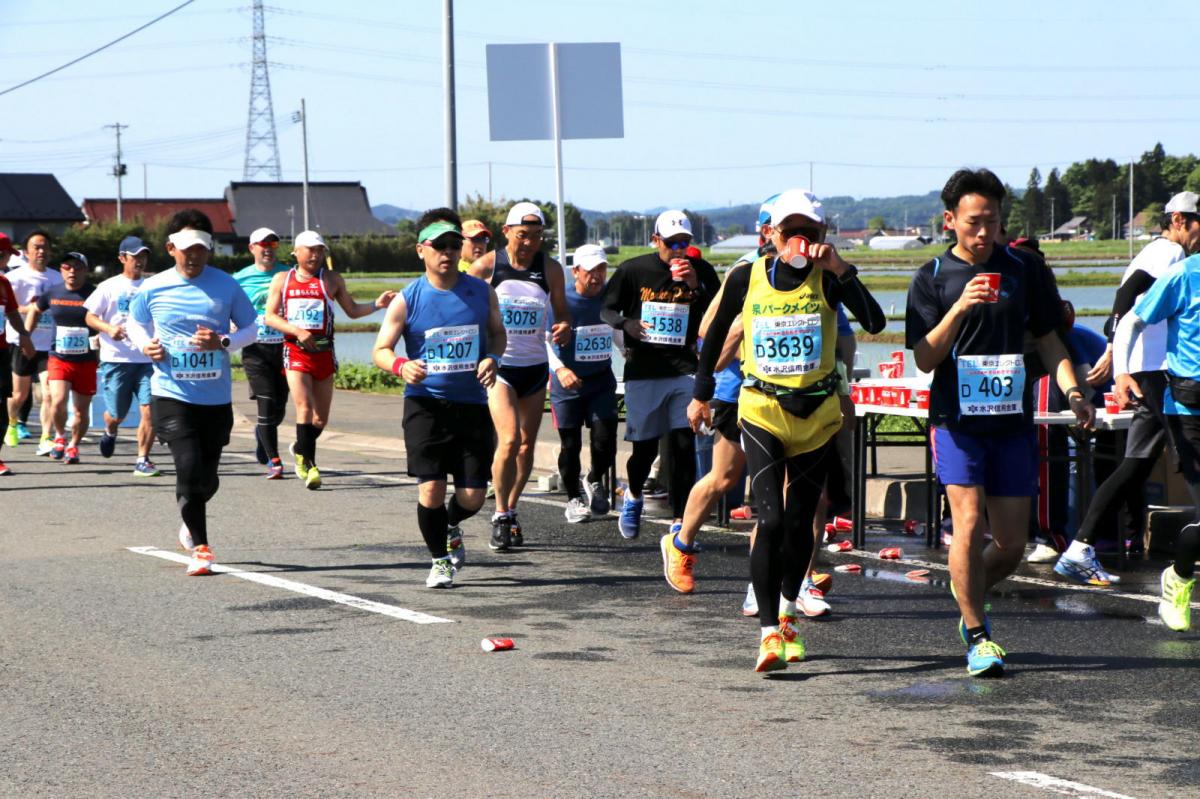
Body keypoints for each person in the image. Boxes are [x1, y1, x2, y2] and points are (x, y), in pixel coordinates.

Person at [906, 168, 1094, 678]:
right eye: (974, 222)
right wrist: (959, 309)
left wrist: (1075, 393)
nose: (985, 232)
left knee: (1011, 546)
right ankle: (977, 634)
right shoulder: (932, 276)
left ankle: (965, 590)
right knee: (968, 524)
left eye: (992, 221)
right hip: (956, 422)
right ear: (950, 221)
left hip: (1012, 423)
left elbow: (1050, 339)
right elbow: (924, 357)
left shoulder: (1024, 268)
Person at [691, 188, 884, 673]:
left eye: (810, 231)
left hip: (816, 415)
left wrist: (841, 268)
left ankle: (789, 615)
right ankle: (767, 633)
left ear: (823, 234)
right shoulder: (747, 276)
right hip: (763, 409)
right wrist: (701, 391)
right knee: (772, 519)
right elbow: (714, 336)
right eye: (790, 230)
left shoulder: (829, 278)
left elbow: (876, 321)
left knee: (800, 523)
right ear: (771, 234)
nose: (800, 238)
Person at [1054, 192, 1200, 584]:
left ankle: (1079, 548)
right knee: (1190, 459)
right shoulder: (1169, 253)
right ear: (1179, 220)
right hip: (1157, 374)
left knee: (1134, 466)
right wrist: (1115, 357)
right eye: (1199, 223)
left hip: (1152, 370)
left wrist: (1115, 353)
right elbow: (1125, 299)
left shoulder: (1160, 253)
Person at [372, 209, 506, 588]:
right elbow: (380, 350)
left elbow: (498, 334)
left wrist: (492, 358)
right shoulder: (407, 298)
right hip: (425, 404)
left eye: (453, 245)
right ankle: (440, 560)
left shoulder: (481, 292)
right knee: (430, 488)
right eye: (439, 246)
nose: (447, 252)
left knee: (473, 496)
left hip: (472, 405)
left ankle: (450, 524)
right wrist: (401, 366)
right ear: (421, 250)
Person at [126, 209, 258, 576]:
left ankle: (189, 520)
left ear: (209, 248)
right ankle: (201, 547)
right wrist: (145, 345)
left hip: (214, 397)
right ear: (171, 248)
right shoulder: (153, 287)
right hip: (171, 392)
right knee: (187, 466)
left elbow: (252, 328)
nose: (194, 255)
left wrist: (224, 341)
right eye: (187, 249)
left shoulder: (226, 285)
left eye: (201, 248)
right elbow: (135, 322)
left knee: (208, 478)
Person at [664, 195, 775, 594]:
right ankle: (681, 544)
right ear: (768, 232)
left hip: (786, 396)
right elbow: (705, 332)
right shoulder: (745, 270)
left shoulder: (814, 270)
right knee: (723, 478)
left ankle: (787, 580)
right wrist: (744, 325)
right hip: (737, 390)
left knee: (784, 490)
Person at [602, 210, 721, 541]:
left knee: (683, 445)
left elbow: (720, 311)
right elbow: (606, 309)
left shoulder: (701, 271)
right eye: (672, 243)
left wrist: (695, 286)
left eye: (685, 243)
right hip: (644, 370)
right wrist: (627, 324)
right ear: (656, 240)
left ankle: (680, 521)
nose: (679, 250)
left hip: (685, 370)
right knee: (644, 450)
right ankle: (633, 495)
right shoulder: (633, 270)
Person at [469, 202, 571, 550]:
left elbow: (563, 315)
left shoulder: (551, 269)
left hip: (535, 368)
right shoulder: (486, 267)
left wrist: (563, 328)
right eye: (523, 235)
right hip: (500, 367)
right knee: (510, 439)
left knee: (527, 445)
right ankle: (499, 514)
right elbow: (463, 312)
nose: (529, 243)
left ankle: (511, 510)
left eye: (537, 236)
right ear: (507, 232)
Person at [264, 230, 396, 489]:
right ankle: (309, 466)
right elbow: (270, 316)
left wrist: (377, 304)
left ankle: (300, 447)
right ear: (296, 252)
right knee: (304, 407)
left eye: (319, 250)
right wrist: (298, 331)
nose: (315, 255)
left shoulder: (332, 279)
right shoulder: (283, 279)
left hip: (324, 352)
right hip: (296, 351)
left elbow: (352, 310)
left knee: (320, 419)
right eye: (310, 250)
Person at [1113, 245, 1200, 631]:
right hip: (1189, 411)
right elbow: (1131, 321)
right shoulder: (1184, 275)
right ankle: (1178, 578)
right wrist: (1121, 372)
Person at [549, 244, 619, 523]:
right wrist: (560, 369)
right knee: (571, 444)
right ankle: (573, 499)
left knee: (605, 440)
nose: (596, 276)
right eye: (590, 270)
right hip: (567, 382)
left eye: (601, 269)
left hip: (600, 378)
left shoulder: (609, 296)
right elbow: (543, 341)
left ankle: (593, 478)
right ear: (575, 271)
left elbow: (614, 328)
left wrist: (627, 349)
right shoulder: (560, 300)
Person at [83, 235, 161, 476]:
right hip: (117, 359)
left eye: (143, 256)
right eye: (135, 256)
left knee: (150, 410)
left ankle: (142, 459)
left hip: (148, 359)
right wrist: (108, 328)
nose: (140, 260)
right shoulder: (109, 287)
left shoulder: (154, 286)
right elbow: (90, 316)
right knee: (117, 414)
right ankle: (110, 429)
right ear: (122, 258)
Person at [28, 253, 99, 464]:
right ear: (61, 270)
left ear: (85, 270)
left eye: (77, 267)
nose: (72, 271)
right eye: (67, 267)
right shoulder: (53, 292)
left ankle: (74, 445)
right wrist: (26, 336)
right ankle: (59, 436)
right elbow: (35, 310)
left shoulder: (94, 294)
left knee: (80, 411)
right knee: (57, 400)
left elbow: (106, 318)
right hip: (59, 358)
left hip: (86, 360)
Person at [233, 227, 290, 479]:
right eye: (263, 245)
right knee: (266, 403)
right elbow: (227, 309)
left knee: (280, 408)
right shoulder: (239, 279)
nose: (268, 249)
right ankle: (274, 460)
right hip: (255, 349)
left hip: (285, 348)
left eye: (273, 244)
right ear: (252, 248)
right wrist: (230, 326)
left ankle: (261, 435)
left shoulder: (288, 274)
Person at [4, 230, 63, 453]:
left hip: (49, 345)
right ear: (26, 252)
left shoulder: (57, 278)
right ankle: (12, 423)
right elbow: (8, 307)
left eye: (45, 247)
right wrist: (30, 309)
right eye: (36, 247)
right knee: (19, 395)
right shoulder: (14, 278)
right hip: (21, 341)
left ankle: (46, 437)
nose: (41, 251)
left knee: (49, 393)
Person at [0, 266, 35, 474]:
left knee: (1, 410)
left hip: (1, 352)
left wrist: (24, 335)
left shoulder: (3, 283)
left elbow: (12, 312)